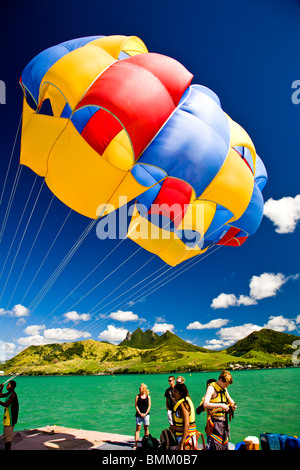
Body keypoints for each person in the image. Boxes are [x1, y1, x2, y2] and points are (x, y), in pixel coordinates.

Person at [203, 370, 237, 450]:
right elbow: (205, 404)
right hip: (215, 423)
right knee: (216, 446)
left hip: (224, 423)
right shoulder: (211, 388)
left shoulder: (224, 388)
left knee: (225, 447)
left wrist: (233, 405)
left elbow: (230, 400)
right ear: (221, 380)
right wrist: (221, 405)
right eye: (225, 384)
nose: (226, 387)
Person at [170, 383, 200, 450]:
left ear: (181, 393)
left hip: (185, 439)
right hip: (190, 437)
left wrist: (181, 444)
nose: (173, 394)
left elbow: (186, 425)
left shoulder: (183, 405)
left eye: (175, 392)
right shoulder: (186, 401)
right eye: (173, 391)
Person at [0, 380, 19, 451]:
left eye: (8, 385)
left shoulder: (13, 395)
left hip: (10, 418)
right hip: (7, 418)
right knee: (6, 435)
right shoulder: (9, 393)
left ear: (12, 386)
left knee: (8, 437)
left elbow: (7, 404)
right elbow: (0, 395)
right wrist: (1, 388)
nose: (7, 386)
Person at [134, 383, 151, 449]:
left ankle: (146, 443)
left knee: (146, 428)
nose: (139, 389)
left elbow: (149, 406)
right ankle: (136, 444)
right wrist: (140, 413)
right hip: (138, 414)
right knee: (138, 428)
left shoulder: (148, 396)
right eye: (139, 388)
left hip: (146, 414)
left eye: (140, 388)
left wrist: (146, 413)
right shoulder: (137, 396)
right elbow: (136, 405)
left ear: (143, 389)